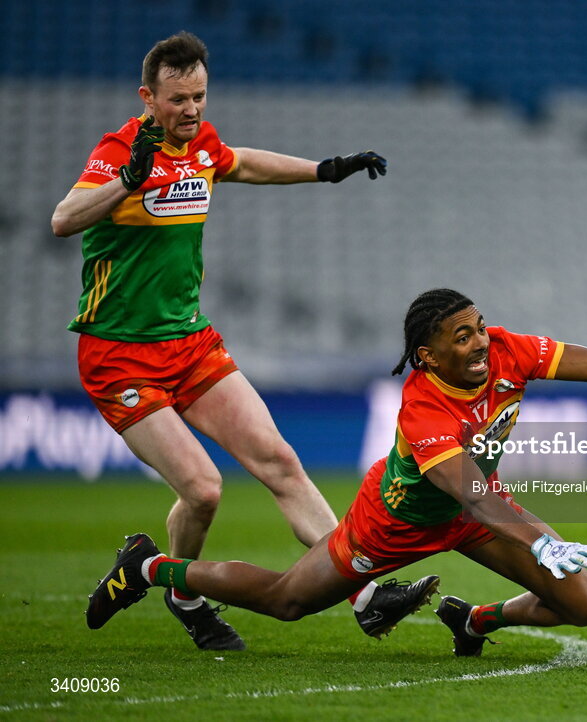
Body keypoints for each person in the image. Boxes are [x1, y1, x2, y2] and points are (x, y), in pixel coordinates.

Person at [53, 31, 434, 651]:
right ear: (147, 97)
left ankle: (364, 596)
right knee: (203, 491)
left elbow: (241, 161)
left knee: (280, 461)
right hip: (119, 355)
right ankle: (181, 591)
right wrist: (127, 181)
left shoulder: (199, 142)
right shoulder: (119, 149)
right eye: (178, 99)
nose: (192, 110)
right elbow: (63, 220)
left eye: (199, 96)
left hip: (190, 342)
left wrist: (325, 170)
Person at [86, 288, 587, 655]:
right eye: (464, 337)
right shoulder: (423, 403)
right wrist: (540, 538)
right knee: (286, 602)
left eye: (481, 327)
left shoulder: (511, 350)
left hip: (473, 517)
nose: (483, 343)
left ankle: (475, 618)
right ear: (428, 356)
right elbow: (470, 491)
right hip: (394, 525)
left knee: (585, 607)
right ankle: (148, 566)